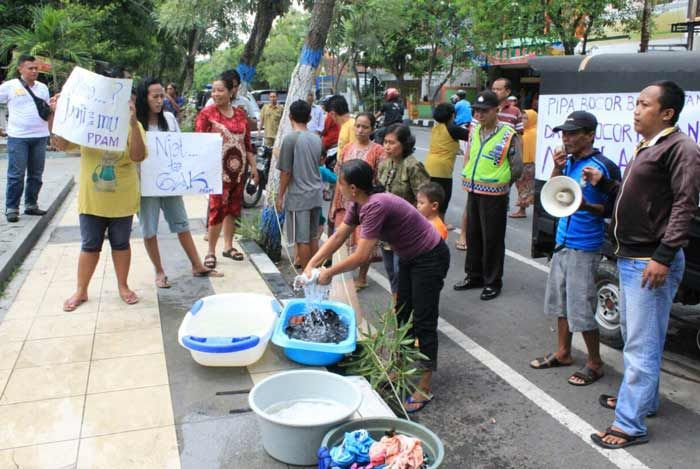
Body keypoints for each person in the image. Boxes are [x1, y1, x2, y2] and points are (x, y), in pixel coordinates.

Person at [589, 81, 700, 450]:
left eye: (644, 104)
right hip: (632, 257)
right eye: (635, 103)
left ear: (666, 113)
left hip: (649, 262)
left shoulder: (681, 148)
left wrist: (663, 256)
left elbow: (685, 205)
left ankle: (630, 424)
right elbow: (636, 197)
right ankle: (643, 402)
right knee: (638, 337)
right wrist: (606, 184)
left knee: (640, 346)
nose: (635, 110)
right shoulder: (648, 146)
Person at [303, 159, 450, 413]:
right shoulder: (357, 204)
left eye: (340, 182)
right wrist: (312, 263)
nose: (337, 186)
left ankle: (424, 385)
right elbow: (339, 235)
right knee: (403, 314)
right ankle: (400, 368)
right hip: (409, 257)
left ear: (353, 187)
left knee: (424, 320)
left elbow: (362, 256)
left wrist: (328, 272)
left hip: (430, 257)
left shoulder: (375, 206)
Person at [529, 111, 620, 387]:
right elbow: (554, 193)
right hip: (563, 241)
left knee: (581, 306)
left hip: (585, 246)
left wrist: (585, 206)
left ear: (590, 135)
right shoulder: (568, 163)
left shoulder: (602, 166)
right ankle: (564, 352)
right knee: (560, 302)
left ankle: (595, 362)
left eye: (572, 133)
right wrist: (557, 168)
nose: (565, 138)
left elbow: (611, 209)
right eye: (563, 134)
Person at [50, 75, 147, 311]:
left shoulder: (135, 125)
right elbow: (60, 145)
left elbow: (137, 156)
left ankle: (123, 286)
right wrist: (59, 113)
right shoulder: (88, 120)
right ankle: (81, 291)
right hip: (92, 198)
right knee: (90, 245)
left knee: (121, 244)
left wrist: (133, 124)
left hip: (122, 198)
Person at [134, 77, 222, 287]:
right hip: (145, 186)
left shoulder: (169, 119)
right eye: (154, 96)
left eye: (161, 96)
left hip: (171, 183)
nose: (160, 100)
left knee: (182, 223)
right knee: (149, 229)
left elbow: (180, 148)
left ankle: (197, 265)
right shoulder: (135, 123)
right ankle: (159, 271)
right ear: (143, 98)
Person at [454, 91, 522, 301]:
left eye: (484, 111)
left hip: (495, 194)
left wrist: (501, 183)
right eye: (477, 110)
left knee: (492, 238)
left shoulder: (508, 134)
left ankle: (493, 281)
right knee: (473, 235)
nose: (479, 114)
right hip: (474, 189)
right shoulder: (474, 130)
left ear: (497, 110)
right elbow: (469, 156)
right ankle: (474, 275)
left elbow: (516, 166)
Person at [196, 73, 258, 269]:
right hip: (217, 173)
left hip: (239, 173)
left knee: (233, 209)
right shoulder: (207, 114)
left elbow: (247, 144)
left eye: (220, 90)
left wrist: (254, 167)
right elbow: (198, 142)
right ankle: (211, 251)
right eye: (213, 90)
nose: (216, 94)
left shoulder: (241, 114)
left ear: (231, 92)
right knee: (217, 210)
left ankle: (228, 246)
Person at [329, 112, 385, 290]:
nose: (360, 130)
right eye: (358, 126)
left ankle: (362, 277)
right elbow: (340, 179)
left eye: (365, 127)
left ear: (372, 129)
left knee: (364, 240)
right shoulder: (346, 149)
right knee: (341, 238)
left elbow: (379, 180)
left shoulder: (378, 151)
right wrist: (334, 205)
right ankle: (342, 276)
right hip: (345, 202)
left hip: (366, 203)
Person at [377, 124, 430, 296]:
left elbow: (425, 200)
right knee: (391, 273)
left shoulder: (413, 166)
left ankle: (406, 309)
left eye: (392, 143)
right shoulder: (385, 165)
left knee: (403, 274)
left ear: (405, 144)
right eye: (385, 142)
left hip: (407, 232)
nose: (387, 146)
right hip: (387, 231)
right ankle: (397, 307)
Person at [0, 55, 51, 223]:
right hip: (18, 137)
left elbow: (47, 110)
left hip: (40, 136)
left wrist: (53, 133)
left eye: (36, 68)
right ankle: (12, 208)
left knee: (36, 174)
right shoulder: (9, 87)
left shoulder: (43, 88)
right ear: (20, 69)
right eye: (30, 68)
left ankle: (31, 205)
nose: (34, 71)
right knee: (16, 174)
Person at [275, 100, 324, 269]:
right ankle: (315, 275)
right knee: (312, 237)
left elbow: (286, 172)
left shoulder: (290, 139)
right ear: (309, 117)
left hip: (298, 197)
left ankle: (306, 278)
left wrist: (280, 196)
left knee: (301, 238)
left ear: (290, 117)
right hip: (315, 194)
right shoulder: (317, 139)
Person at [424, 103, 469, 220]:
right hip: (442, 169)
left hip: (429, 166)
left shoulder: (435, 127)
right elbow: (471, 136)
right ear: (452, 115)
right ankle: (440, 222)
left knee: (430, 197)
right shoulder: (453, 129)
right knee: (443, 197)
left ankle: (429, 221)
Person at [509, 109, 538, 218]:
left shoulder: (530, 133)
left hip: (527, 163)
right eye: (522, 118)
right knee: (524, 186)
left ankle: (522, 209)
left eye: (526, 118)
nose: (523, 120)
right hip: (527, 163)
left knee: (523, 186)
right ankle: (523, 207)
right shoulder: (527, 132)